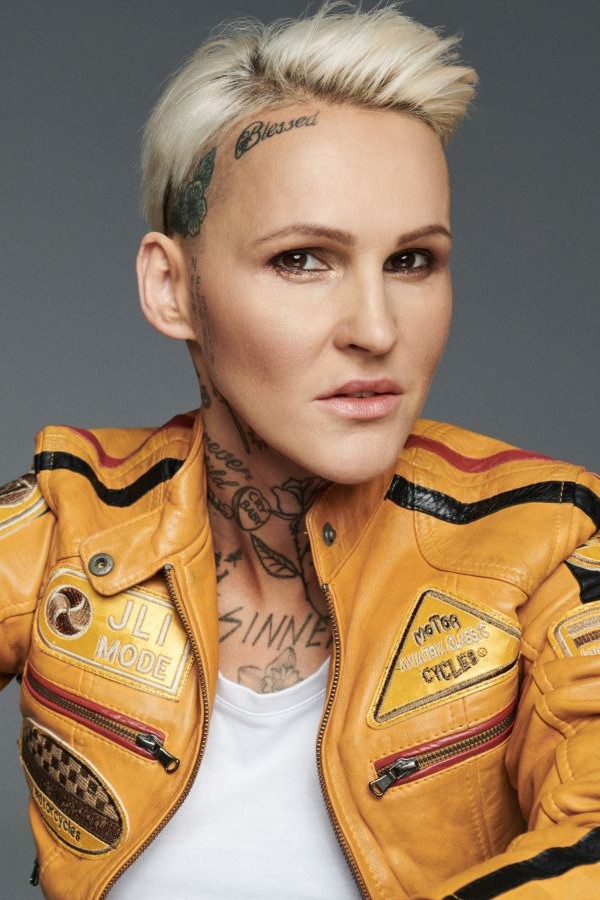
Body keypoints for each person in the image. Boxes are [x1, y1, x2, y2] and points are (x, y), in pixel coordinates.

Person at [2, 2, 600, 898]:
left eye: (411, 262)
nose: (375, 329)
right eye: (303, 260)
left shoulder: (546, 543)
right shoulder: (68, 521)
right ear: (172, 288)